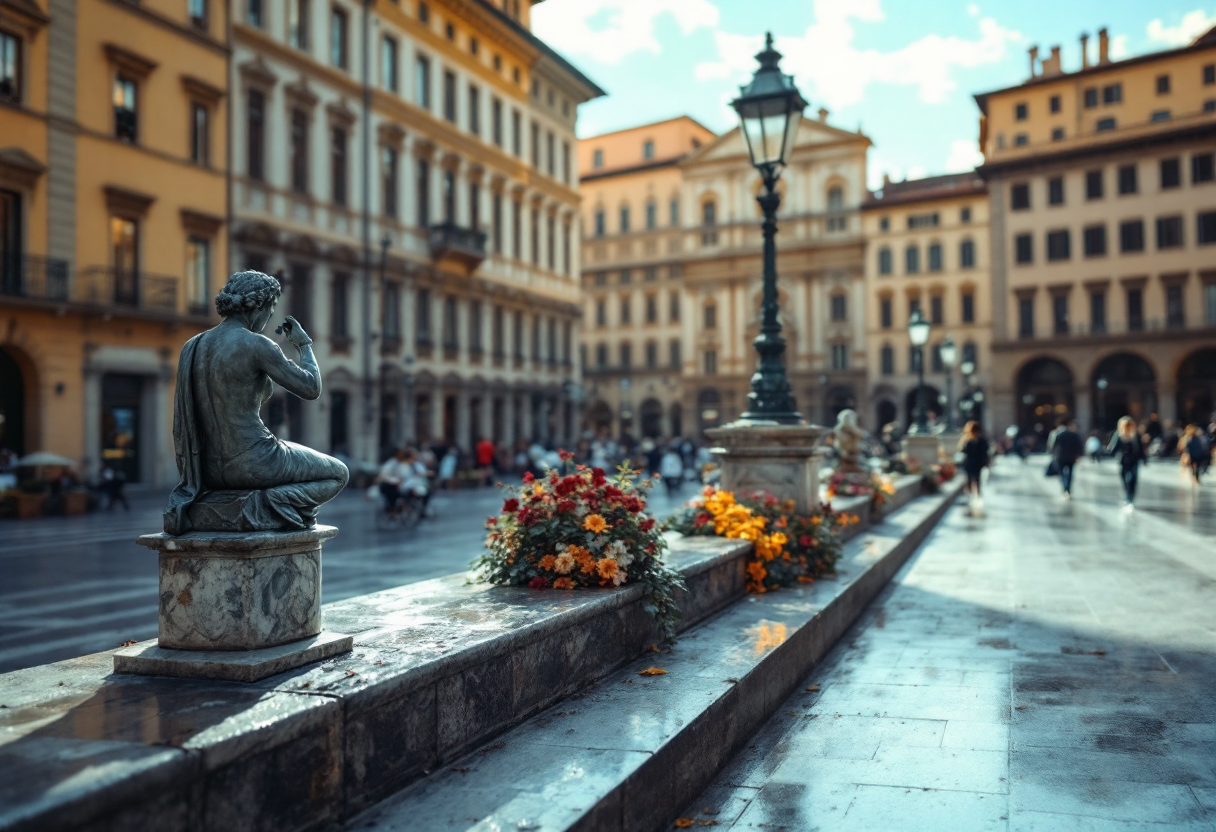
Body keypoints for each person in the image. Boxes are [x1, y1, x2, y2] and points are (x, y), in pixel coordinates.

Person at [1107, 416, 1147, 510]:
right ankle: (1128, 497)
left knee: (1132, 479)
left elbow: (1141, 448)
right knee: (1125, 479)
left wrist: (1144, 459)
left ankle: (1130, 498)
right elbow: (1114, 448)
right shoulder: (1119, 435)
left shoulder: (1135, 434)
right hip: (1123, 460)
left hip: (1134, 460)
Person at [957, 421, 990, 515]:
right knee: (972, 480)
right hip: (972, 464)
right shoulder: (969, 440)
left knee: (975, 480)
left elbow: (984, 452)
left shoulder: (978, 440)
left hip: (974, 463)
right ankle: (973, 498)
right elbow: (962, 450)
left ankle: (975, 497)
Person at [1047, 418, 1084, 500]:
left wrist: (1052, 454)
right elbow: (1079, 446)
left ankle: (1065, 490)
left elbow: (1052, 446)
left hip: (1060, 457)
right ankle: (1068, 490)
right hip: (1071, 457)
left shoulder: (1057, 434)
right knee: (1070, 474)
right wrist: (1078, 455)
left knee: (1062, 474)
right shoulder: (1073, 434)